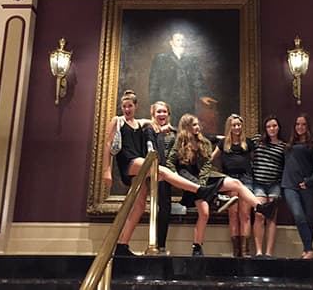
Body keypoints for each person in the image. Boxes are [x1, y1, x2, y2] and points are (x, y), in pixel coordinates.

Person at [102, 90, 234, 256]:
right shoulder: (118, 120)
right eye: (124, 106)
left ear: (135, 106)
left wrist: (167, 127)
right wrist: (106, 171)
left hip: (139, 165)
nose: (127, 109)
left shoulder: (141, 123)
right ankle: (202, 190)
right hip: (128, 162)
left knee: (140, 206)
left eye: (130, 106)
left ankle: (122, 245)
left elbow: (153, 123)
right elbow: (108, 144)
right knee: (162, 170)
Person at [166, 113, 276, 257]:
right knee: (204, 213)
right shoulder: (179, 141)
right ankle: (197, 246)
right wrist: (175, 177)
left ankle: (260, 207)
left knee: (236, 183)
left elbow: (206, 165)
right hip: (189, 181)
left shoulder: (204, 142)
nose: (198, 127)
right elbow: (170, 162)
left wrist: (204, 183)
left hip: (204, 179)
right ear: (186, 127)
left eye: (198, 124)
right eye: (194, 125)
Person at [149, 32, 217, 126]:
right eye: (178, 40)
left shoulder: (191, 59)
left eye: (182, 40)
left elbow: (197, 79)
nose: (181, 42)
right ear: (171, 42)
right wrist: (153, 101)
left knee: (186, 127)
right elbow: (154, 81)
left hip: (186, 100)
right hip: (167, 99)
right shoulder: (161, 59)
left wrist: (202, 95)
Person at [211, 114, 254, 257]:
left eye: (239, 125)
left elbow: (255, 160)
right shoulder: (223, 144)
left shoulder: (248, 143)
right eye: (234, 125)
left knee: (245, 215)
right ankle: (236, 252)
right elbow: (211, 159)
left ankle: (245, 250)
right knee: (233, 214)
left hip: (246, 179)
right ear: (229, 127)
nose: (237, 127)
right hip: (230, 180)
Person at [281, 113, 313, 260]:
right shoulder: (289, 145)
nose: (300, 127)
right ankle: (309, 250)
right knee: (298, 215)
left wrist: (309, 181)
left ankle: (307, 250)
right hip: (289, 186)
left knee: (309, 218)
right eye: (298, 124)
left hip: (306, 186)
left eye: (303, 124)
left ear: (308, 126)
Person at [143, 101, 177, 255]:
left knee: (166, 208)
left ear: (168, 114)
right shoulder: (149, 129)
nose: (162, 114)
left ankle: (161, 246)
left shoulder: (172, 131)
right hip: (155, 173)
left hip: (168, 174)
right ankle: (154, 245)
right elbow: (151, 150)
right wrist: (159, 133)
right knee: (157, 208)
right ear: (153, 114)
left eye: (164, 112)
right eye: (159, 112)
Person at [252, 116, 286, 258]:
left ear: (278, 127)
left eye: (274, 126)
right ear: (265, 128)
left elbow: (286, 166)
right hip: (258, 183)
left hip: (274, 185)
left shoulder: (283, 146)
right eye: (269, 126)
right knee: (259, 215)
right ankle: (259, 251)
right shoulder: (258, 141)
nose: (272, 129)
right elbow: (240, 142)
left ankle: (269, 253)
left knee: (271, 218)